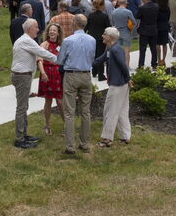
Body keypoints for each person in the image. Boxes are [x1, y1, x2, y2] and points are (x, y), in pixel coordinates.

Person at [9, 19, 58, 149]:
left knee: (24, 106)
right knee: (21, 108)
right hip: (22, 76)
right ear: (30, 28)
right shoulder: (27, 40)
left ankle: (24, 135)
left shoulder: (24, 40)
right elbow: (42, 53)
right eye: (36, 27)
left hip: (22, 76)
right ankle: (19, 139)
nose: (38, 29)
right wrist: (60, 59)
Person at [56, 14, 95, 155]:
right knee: (85, 111)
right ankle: (84, 143)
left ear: (74, 23)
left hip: (72, 75)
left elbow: (60, 60)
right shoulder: (92, 39)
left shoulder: (68, 40)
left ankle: (70, 146)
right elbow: (92, 57)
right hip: (86, 74)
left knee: (70, 112)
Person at [93, 27, 132, 147]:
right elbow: (100, 59)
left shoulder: (115, 50)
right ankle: (125, 136)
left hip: (118, 85)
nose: (102, 36)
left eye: (104, 34)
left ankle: (107, 138)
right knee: (121, 111)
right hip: (120, 84)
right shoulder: (110, 48)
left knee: (110, 111)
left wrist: (128, 79)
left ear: (110, 37)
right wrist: (85, 63)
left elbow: (123, 66)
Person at [37, 23, 65, 136]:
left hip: (58, 75)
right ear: (48, 32)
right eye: (50, 30)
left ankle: (66, 125)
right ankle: (47, 125)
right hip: (47, 74)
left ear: (58, 33)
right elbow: (39, 60)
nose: (52, 32)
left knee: (60, 101)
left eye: (54, 30)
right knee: (48, 101)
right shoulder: (44, 44)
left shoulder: (62, 45)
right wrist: (42, 73)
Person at [85, 0, 111, 80]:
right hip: (101, 38)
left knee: (94, 55)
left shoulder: (91, 15)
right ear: (101, 6)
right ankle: (101, 74)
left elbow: (87, 27)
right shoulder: (104, 16)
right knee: (101, 55)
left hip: (91, 37)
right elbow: (108, 27)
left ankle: (94, 70)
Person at [136, 0, 159, 69]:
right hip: (154, 28)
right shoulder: (156, 6)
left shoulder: (142, 8)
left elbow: (137, 16)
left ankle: (141, 64)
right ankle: (154, 64)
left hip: (144, 29)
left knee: (142, 49)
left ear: (144, 0)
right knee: (153, 48)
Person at [111, 0, 136, 67]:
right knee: (126, 51)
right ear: (125, 3)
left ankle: (118, 66)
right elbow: (134, 22)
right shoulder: (128, 12)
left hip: (117, 33)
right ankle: (126, 66)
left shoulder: (114, 12)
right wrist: (130, 28)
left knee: (117, 51)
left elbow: (112, 23)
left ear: (118, 3)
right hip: (126, 31)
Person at [155, 0, 171, 66]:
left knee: (157, 44)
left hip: (158, 27)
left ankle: (159, 59)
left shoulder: (157, 9)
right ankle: (163, 59)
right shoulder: (167, 9)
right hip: (165, 27)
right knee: (164, 44)